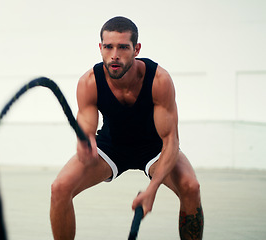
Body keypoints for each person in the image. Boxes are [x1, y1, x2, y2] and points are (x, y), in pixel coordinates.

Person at [50, 16, 203, 240]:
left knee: (191, 187)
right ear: (100, 48)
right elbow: (86, 126)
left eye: (123, 47)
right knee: (59, 188)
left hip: (154, 147)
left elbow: (171, 140)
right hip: (111, 146)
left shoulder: (159, 79)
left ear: (136, 49)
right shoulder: (89, 82)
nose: (114, 55)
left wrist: (152, 190)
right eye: (108, 47)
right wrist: (86, 140)